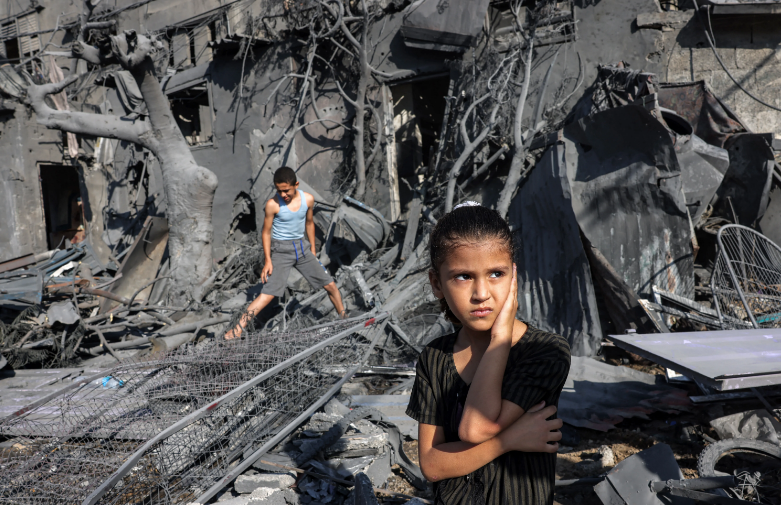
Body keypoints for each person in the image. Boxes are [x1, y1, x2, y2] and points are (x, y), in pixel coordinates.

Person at [406, 202, 571, 505]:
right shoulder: (435, 358)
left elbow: (475, 428)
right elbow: (431, 465)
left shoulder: (545, 350)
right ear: (436, 284)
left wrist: (500, 339)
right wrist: (508, 440)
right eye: (463, 276)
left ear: (513, 276)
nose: (482, 293)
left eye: (496, 273)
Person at [225, 167, 345, 339]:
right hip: (281, 251)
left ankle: (344, 318)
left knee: (330, 285)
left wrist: (312, 248)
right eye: (279, 190)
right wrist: (268, 260)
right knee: (268, 294)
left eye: (286, 190)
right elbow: (266, 233)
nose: (283, 194)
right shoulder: (272, 205)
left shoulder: (308, 199)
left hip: (302, 249)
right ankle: (237, 330)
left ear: (296, 185)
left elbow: (309, 223)